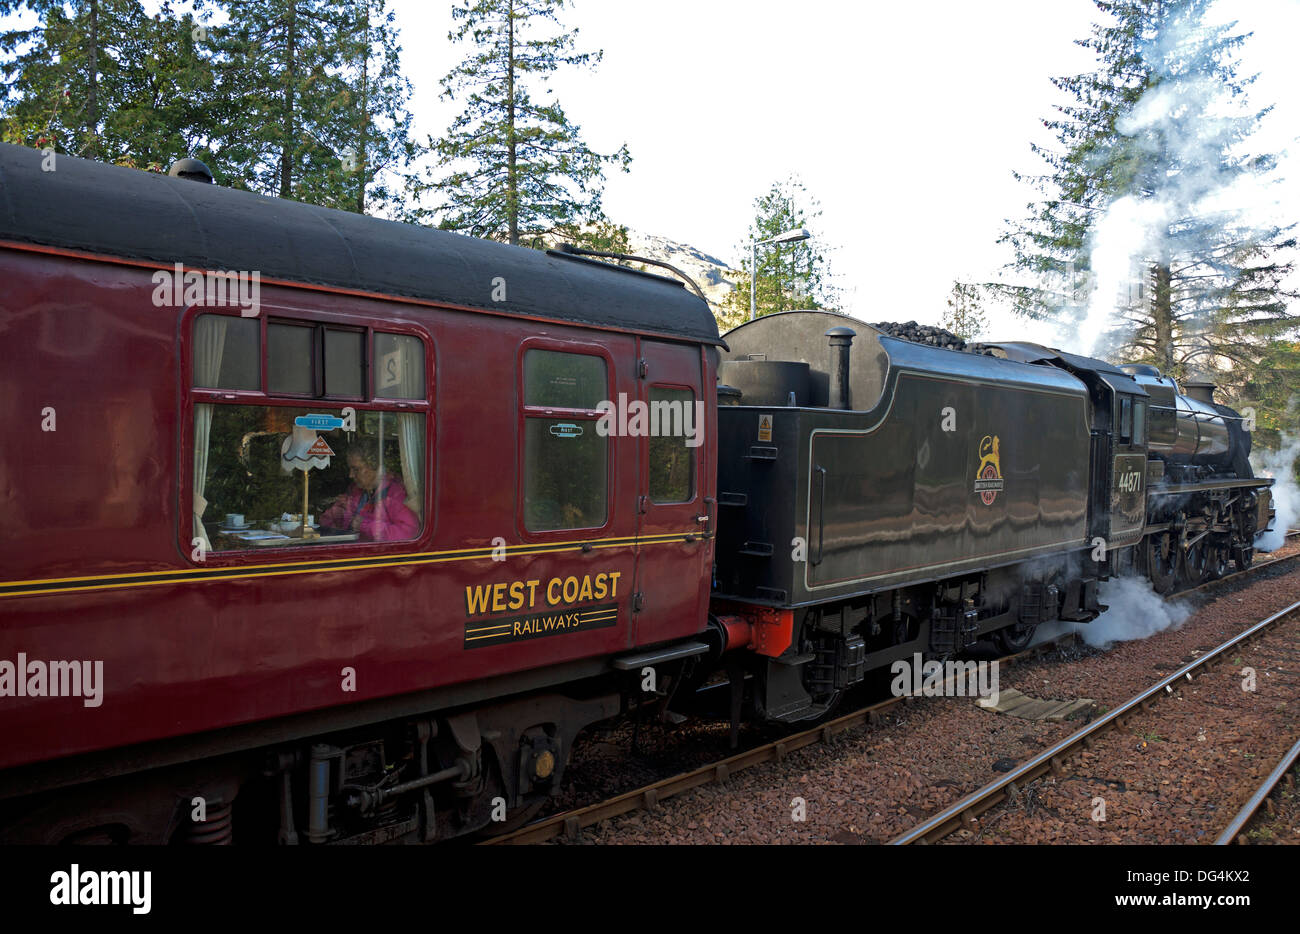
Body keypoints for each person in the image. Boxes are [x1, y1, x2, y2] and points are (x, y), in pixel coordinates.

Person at [319, 446, 419, 542]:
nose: (350, 475)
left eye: (356, 469)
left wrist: (365, 526)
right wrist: (336, 518)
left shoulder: (395, 493)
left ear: (373, 466)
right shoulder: (356, 490)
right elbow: (327, 519)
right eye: (350, 469)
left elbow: (408, 533)